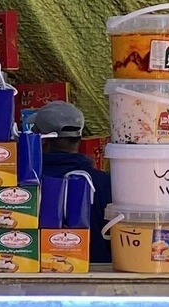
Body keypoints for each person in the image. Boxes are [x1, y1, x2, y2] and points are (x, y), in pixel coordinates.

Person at [30, 102, 114, 264]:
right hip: (95, 275)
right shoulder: (104, 182)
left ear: (42, 140)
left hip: (29, 274)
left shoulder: (21, 181)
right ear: (79, 138)